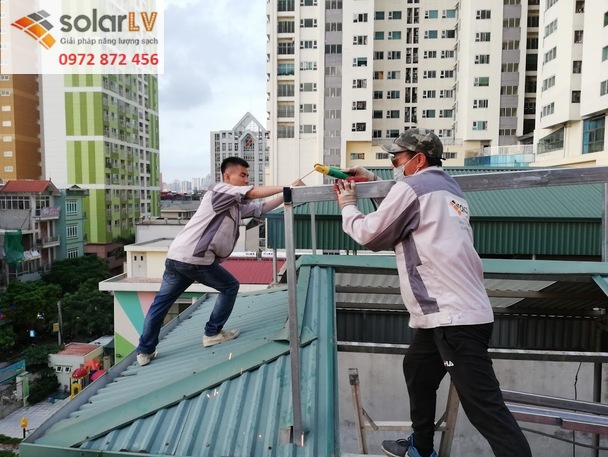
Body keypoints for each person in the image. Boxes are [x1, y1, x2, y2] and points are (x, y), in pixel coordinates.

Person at [334, 128, 532, 457]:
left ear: (418, 159)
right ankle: (421, 448)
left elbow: (373, 234)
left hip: (452, 318)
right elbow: (405, 216)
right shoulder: (449, 188)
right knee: (417, 370)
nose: (393, 164)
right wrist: (373, 181)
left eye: (396, 159)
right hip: (453, 312)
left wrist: (348, 206)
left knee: (485, 409)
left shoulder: (412, 188)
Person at [136, 157, 304, 366]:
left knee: (161, 304)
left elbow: (261, 208)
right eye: (242, 175)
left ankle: (144, 352)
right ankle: (212, 333)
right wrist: (287, 186)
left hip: (177, 257)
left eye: (247, 176)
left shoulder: (231, 204)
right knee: (230, 286)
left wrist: (288, 193)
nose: (246, 180)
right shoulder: (220, 190)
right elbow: (252, 193)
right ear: (227, 176)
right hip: (195, 258)